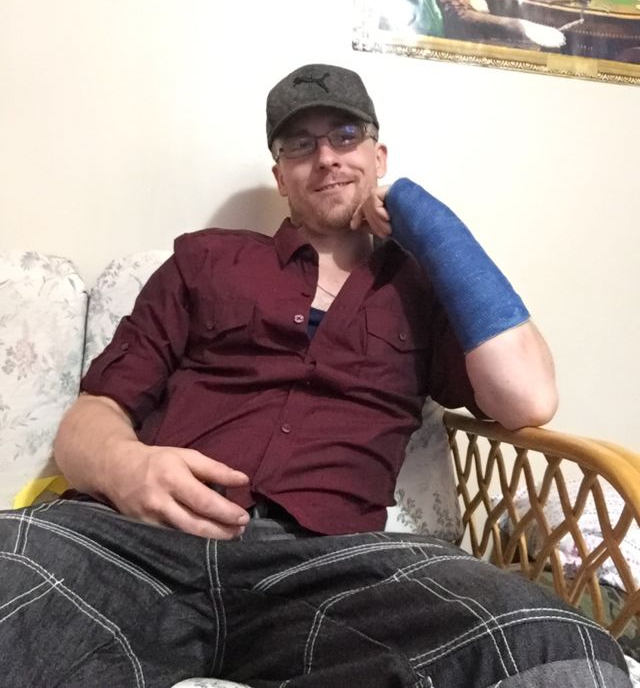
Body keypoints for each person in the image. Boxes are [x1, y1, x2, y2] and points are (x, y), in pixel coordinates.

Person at [0, 63, 631, 687]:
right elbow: (93, 414)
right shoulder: (207, 259)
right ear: (280, 175)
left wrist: (424, 219)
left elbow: (529, 398)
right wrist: (124, 466)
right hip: (137, 543)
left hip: (333, 566)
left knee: (553, 643)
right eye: (300, 145)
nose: (326, 158)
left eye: (345, 137)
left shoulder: (425, 287)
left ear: (379, 157)